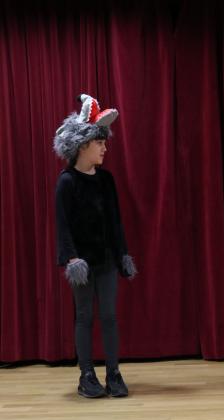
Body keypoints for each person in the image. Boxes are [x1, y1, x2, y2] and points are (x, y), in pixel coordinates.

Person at [54, 94, 136, 398]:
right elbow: (63, 227)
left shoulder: (106, 180)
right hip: (82, 262)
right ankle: (86, 375)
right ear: (82, 146)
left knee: (110, 316)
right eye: (99, 143)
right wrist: (72, 259)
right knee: (85, 316)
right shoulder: (66, 182)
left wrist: (122, 254)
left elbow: (115, 222)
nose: (104, 148)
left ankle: (113, 373)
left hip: (106, 260)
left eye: (104, 142)